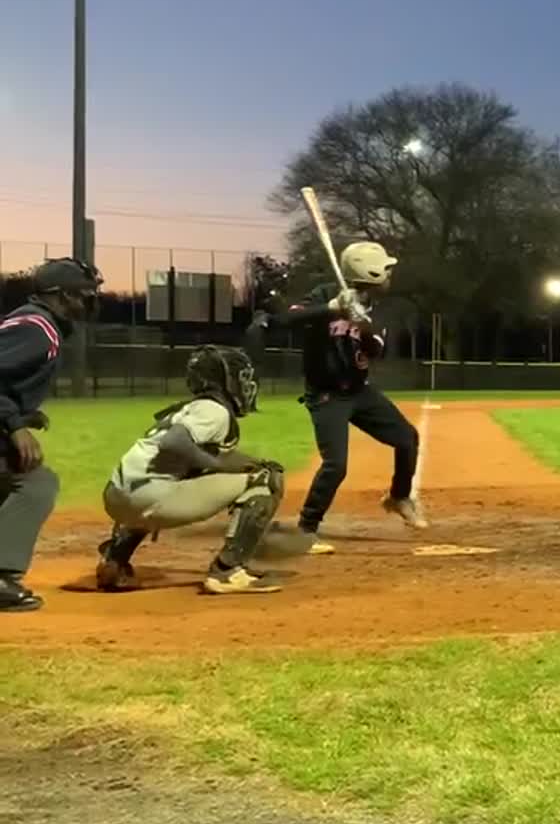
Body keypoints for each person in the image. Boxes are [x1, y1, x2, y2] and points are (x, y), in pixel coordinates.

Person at [249, 240, 426, 554]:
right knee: (336, 465)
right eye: (384, 270)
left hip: (359, 390)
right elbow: (287, 320)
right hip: (326, 394)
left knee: (406, 439)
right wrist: (331, 308)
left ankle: (398, 497)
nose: (389, 276)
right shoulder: (324, 294)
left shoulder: (376, 305)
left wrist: (362, 323)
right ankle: (307, 528)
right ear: (368, 272)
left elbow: (376, 350)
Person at [95, 345, 288, 595]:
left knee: (200, 472)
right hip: (151, 499)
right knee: (267, 479)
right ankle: (228, 571)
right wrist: (221, 466)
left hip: (116, 497)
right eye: (240, 377)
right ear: (224, 380)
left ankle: (115, 561)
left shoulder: (190, 408)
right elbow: (175, 442)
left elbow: (207, 455)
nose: (246, 385)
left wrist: (248, 462)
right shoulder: (214, 410)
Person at [0, 258, 102, 613]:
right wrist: (14, 426)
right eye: (84, 294)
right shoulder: (37, 328)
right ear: (60, 295)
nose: (90, 300)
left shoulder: (36, 321)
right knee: (35, 484)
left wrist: (25, 414)